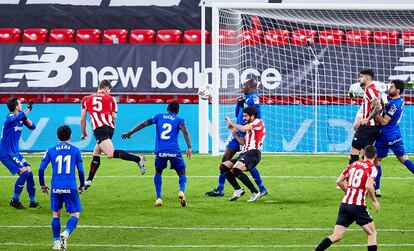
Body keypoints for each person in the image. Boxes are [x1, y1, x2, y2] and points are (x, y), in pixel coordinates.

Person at [121, 101, 192, 207]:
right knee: (182, 173)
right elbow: (185, 131)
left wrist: (130, 132)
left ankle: (159, 198)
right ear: (177, 111)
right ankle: (181, 191)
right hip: (174, 151)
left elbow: (143, 124)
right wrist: (189, 147)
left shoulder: (159, 117)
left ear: (167, 109)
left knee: (158, 172)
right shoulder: (179, 120)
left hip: (160, 151)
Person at [205, 79, 268, 197]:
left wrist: (249, 127)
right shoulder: (244, 98)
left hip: (246, 133)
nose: (242, 87)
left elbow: (257, 116)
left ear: (251, 86)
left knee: (244, 163)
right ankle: (220, 188)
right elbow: (237, 115)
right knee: (226, 159)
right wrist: (239, 104)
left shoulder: (254, 98)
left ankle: (261, 188)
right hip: (238, 132)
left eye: (244, 85)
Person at [80, 79, 145, 189]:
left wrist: (84, 133)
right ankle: (89, 180)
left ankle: (138, 159)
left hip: (99, 129)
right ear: (107, 88)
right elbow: (114, 117)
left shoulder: (86, 99)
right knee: (96, 152)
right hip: (110, 128)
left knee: (110, 154)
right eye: (110, 90)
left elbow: (82, 119)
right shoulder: (111, 98)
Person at [314, 145, 380, 251]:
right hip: (358, 206)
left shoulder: (353, 164)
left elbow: (339, 181)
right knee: (372, 233)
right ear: (375, 155)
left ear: (363, 154)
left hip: (345, 204)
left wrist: (348, 191)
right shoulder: (372, 169)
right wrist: (374, 201)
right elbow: (368, 186)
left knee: (336, 236)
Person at [39, 125, 85, 251]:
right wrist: (82, 185)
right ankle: (66, 233)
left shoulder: (51, 150)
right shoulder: (76, 150)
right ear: (70, 136)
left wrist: (42, 185)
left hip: (56, 186)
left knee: (56, 214)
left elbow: (41, 169)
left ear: (57, 136)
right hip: (70, 186)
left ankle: (56, 243)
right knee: (75, 213)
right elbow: (80, 171)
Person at [373, 79, 414, 197]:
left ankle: (377, 189)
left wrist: (375, 113)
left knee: (377, 160)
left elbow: (384, 121)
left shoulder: (393, 105)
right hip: (396, 134)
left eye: (391, 87)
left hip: (385, 135)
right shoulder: (400, 101)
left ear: (398, 90)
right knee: (404, 159)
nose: (389, 89)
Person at [0, 98, 40, 209]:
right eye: (20, 103)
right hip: (6, 153)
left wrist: (25, 116)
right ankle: (15, 200)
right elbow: (17, 117)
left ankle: (32, 202)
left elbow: (33, 127)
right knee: (24, 173)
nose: (21, 104)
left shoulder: (21, 118)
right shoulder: (10, 117)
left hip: (15, 153)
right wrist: (28, 109)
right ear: (16, 107)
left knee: (29, 172)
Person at [221, 106, 265, 202]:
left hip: (254, 153)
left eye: (245, 116)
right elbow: (243, 143)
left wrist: (231, 123)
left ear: (252, 116)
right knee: (224, 166)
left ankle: (255, 192)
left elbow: (243, 129)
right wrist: (234, 133)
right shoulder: (250, 128)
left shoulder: (258, 121)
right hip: (245, 153)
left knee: (236, 170)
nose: (244, 118)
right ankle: (238, 189)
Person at [349, 70, 382, 165]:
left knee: (354, 150)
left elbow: (378, 107)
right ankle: (367, 175)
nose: (359, 79)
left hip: (367, 127)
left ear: (367, 78)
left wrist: (368, 119)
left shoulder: (370, 90)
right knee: (366, 152)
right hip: (374, 127)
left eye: (361, 77)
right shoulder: (374, 89)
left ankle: (351, 175)